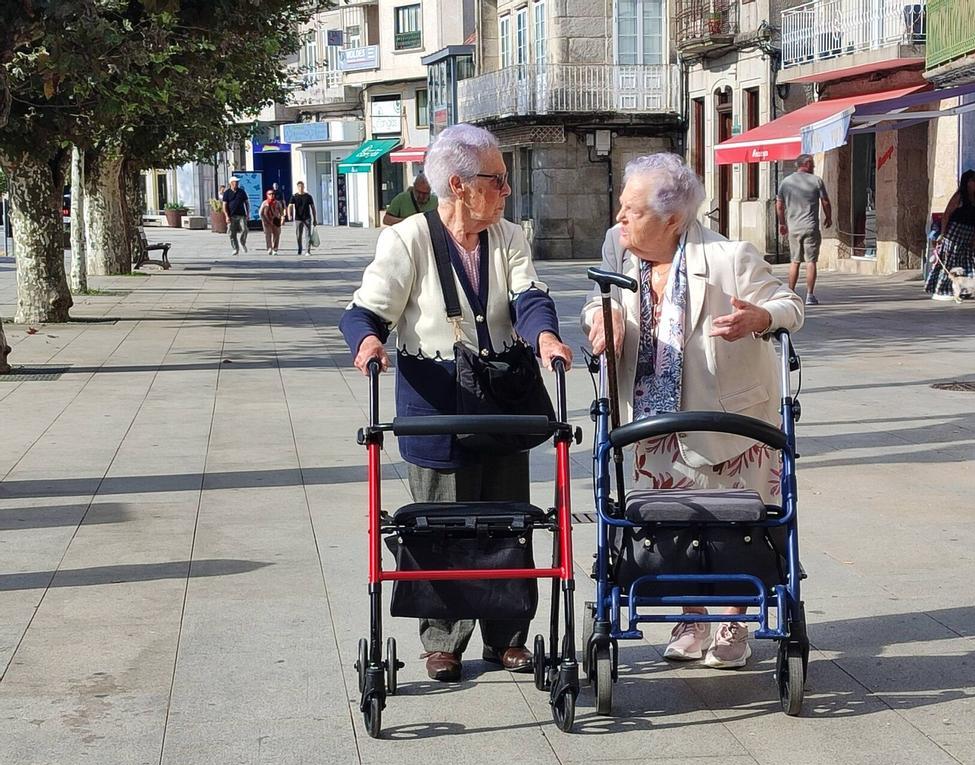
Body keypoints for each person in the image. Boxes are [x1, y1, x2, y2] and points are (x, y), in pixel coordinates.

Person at [339, 123, 573, 683]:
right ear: (458, 185)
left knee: (508, 518)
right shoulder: (407, 239)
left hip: (500, 399)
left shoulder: (509, 237)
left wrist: (544, 336)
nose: (507, 191)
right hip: (437, 400)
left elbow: (530, 296)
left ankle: (508, 636)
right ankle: (442, 640)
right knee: (442, 522)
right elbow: (363, 312)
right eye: (498, 180)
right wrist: (369, 341)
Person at [583, 152, 804, 668]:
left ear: (674, 220)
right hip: (652, 419)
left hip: (730, 422)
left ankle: (732, 623)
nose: (619, 219)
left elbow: (790, 307)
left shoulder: (731, 258)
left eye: (631, 211)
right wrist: (603, 316)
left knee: (729, 527)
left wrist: (759, 317)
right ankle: (691, 616)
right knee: (673, 526)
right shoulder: (620, 248)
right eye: (621, 207)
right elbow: (603, 300)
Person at [776, 154, 831, 306]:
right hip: (810, 226)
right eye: (812, 164)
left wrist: (782, 223)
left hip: (794, 228)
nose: (813, 166)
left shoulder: (786, 182)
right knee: (811, 262)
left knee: (795, 261)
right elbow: (825, 201)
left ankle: (791, 293)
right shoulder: (816, 181)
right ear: (806, 164)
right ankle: (810, 295)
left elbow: (779, 205)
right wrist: (829, 216)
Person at [927, 169, 975, 300]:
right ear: (967, 182)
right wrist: (943, 234)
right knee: (951, 260)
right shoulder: (959, 197)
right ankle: (945, 289)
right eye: (973, 180)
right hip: (955, 233)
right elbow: (946, 215)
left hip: (970, 233)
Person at [222, 176, 250, 255]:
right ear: (231, 183)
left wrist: (248, 213)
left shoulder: (241, 192)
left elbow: (246, 203)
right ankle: (235, 248)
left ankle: (242, 242)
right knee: (231, 233)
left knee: (245, 229)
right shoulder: (227, 193)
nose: (237, 183)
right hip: (231, 216)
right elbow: (224, 205)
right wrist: (227, 216)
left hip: (241, 215)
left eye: (237, 182)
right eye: (235, 182)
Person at [287, 181, 317, 256]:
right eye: (299, 187)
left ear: (304, 187)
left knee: (308, 234)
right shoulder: (294, 196)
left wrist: (315, 218)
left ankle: (307, 250)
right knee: (298, 235)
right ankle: (300, 247)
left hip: (307, 217)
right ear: (297, 187)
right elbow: (289, 206)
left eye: (302, 187)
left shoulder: (308, 196)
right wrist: (289, 215)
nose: (301, 188)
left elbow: (313, 208)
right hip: (298, 218)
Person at [258, 188, 284, 255]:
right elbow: (260, 213)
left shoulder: (277, 203)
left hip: (276, 220)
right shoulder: (264, 203)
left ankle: (275, 249)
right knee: (268, 235)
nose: (271, 195)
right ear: (267, 195)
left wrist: (282, 218)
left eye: (273, 194)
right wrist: (263, 220)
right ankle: (269, 248)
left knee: (277, 235)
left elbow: (281, 212)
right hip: (267, 220)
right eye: (270, 194)